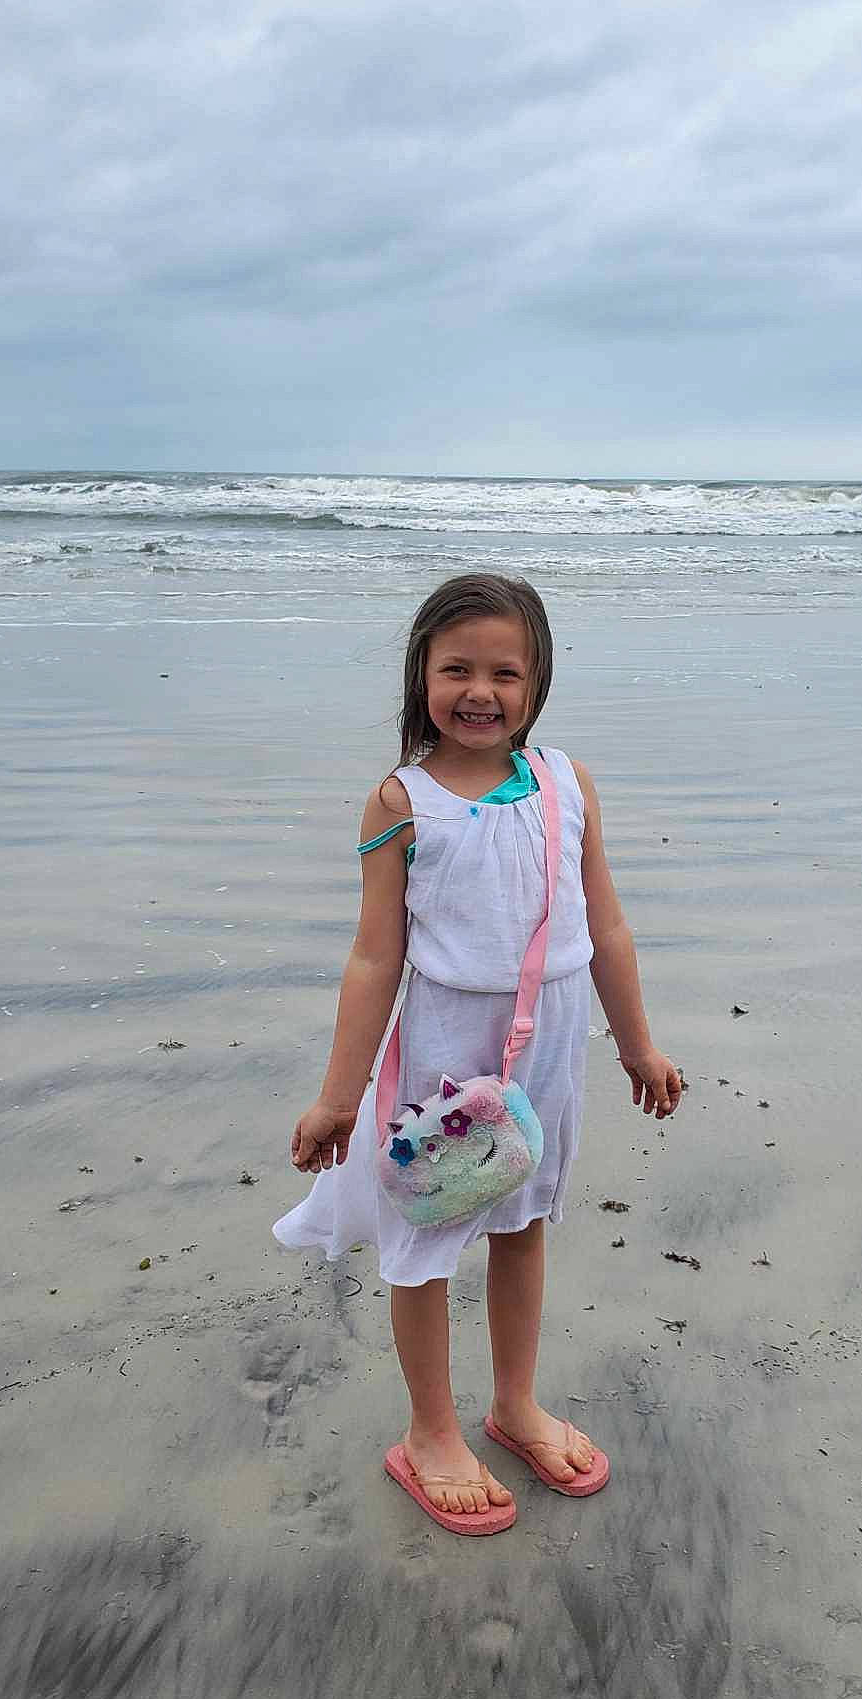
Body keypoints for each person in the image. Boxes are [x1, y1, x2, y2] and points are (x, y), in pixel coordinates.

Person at [275, 573, 682, 1535]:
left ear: (537, 685)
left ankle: (514, 1403)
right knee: (422, 1239)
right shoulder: (398, 801)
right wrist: (338, 1097)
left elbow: (607, 925)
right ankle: (429, 1430)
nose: (479, 691)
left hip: (550, 1049)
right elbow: (376, 957)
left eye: (506, 671)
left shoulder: (564, 782)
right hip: (443, 1058)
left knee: (523, 1218)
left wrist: (638, 1044)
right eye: (455, 668)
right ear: (420, 674)